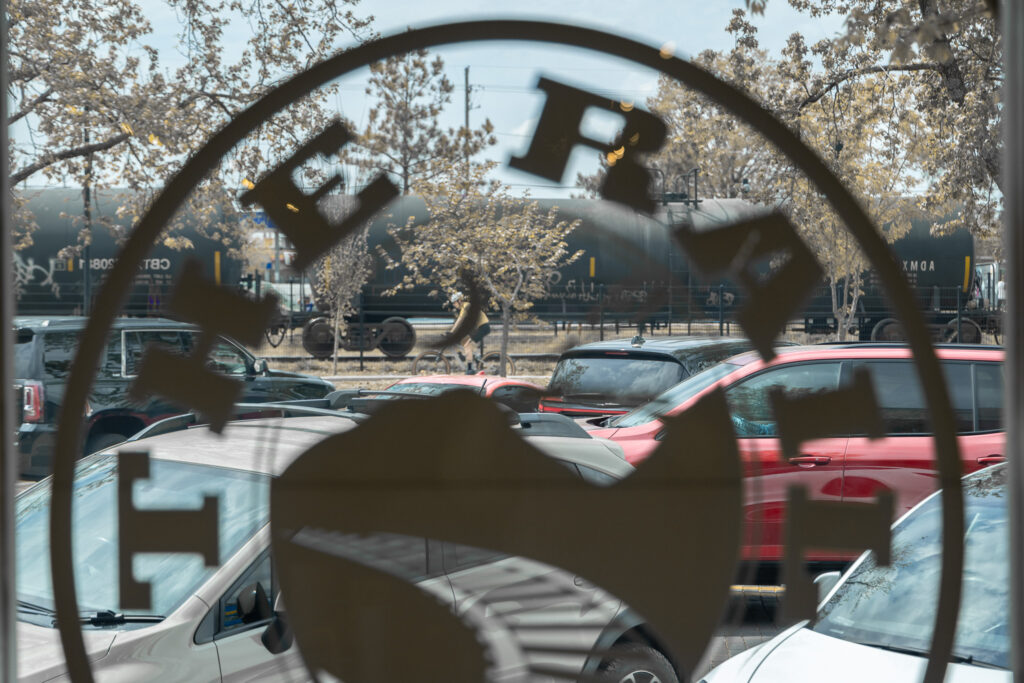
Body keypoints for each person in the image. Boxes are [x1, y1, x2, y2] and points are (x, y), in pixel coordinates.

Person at [450, 291, 490, 372]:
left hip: (483, 327)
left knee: (467, 344)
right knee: (463, 340)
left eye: (454, 302)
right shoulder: (463, 308)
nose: (453, 305)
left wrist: (451, 332)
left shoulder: (466, 306)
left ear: (459, 301)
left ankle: (469, 369)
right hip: (478, 327)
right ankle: (473, 357)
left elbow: (460, 320)